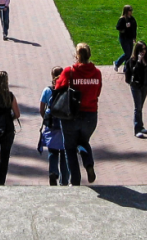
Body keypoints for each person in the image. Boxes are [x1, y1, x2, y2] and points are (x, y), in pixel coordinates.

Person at [54, 43, 102, 186]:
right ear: (90, 55)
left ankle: (75, 181)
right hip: (90, 115)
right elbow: (98, 91)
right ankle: (88, 164)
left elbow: (58, 89)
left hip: (71, 115)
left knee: (69, 148)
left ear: (76, 56)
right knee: (83, 141)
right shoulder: (97, 73)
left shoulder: (69, 72)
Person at [39, 66, 70, 185]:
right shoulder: (68, 89)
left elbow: (41, 108)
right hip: (65, 125)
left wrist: (46, 119)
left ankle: (53, 172)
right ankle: (65, 180)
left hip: (51, 125)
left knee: (52, 151)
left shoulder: (47, 90)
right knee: (65, 153)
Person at [124, 41, 147, 137]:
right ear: (137, 50)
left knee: (140, 107)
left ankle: (140, 126)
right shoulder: (132, 60)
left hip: (145, 85)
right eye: (141, 49)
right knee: (137, 108)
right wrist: (139, 61)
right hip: (136, 86)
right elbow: (134, 71)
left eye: (145, 49)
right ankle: (137, 129)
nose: (143, 51)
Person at [113, 5, 137, 72]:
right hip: (124, 38)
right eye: (130, 10)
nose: (131, 11)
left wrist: (134, 37)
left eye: (131, 10)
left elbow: (134, 28)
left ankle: (126, 68)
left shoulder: (132, 19)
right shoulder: (122, 19)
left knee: (129, 54)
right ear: (126, 11)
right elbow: (118, 27)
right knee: (127, 53)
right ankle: (117, 63)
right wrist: (124, 28)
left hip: (130, 38)